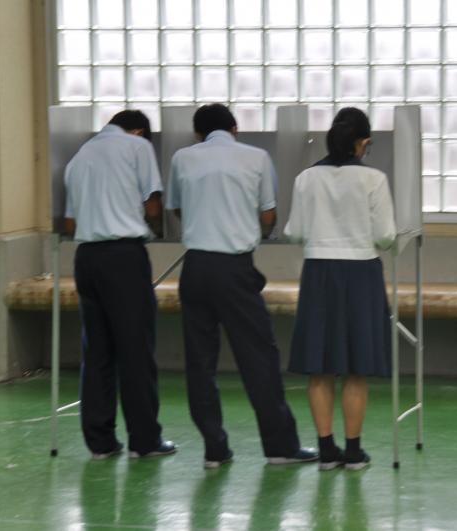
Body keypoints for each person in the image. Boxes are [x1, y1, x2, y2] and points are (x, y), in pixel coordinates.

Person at [166, 103, 317, 469]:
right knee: (258, 357)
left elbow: (177, 209)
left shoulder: (182, 158)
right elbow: (268, 215)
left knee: (200, 362)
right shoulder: (257, 157)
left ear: (198, 133)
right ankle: (280, 447)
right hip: (234, 268)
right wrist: (250, 227)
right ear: (235, 128)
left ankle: (214, 449)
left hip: (195, 267)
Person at [285, 107, 397, 471]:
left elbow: (294, 232)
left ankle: (326, 450)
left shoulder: (305, 178)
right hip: (361, 272)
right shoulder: (374, 179)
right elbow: (385, 235)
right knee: (355, 368)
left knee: (320, 368)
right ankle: (353, 451)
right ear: (363, 142)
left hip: (318, 272)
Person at [64, 110, 176, 460]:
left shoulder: (79, 157)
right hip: (124, 257)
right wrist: (156, 228)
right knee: (135, 350)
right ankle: (145, 440)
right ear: (139, 131)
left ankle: (100, 443)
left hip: (86, 258)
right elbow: (153, 207)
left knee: (97, 351)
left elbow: (70, 223)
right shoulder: (137, 147)